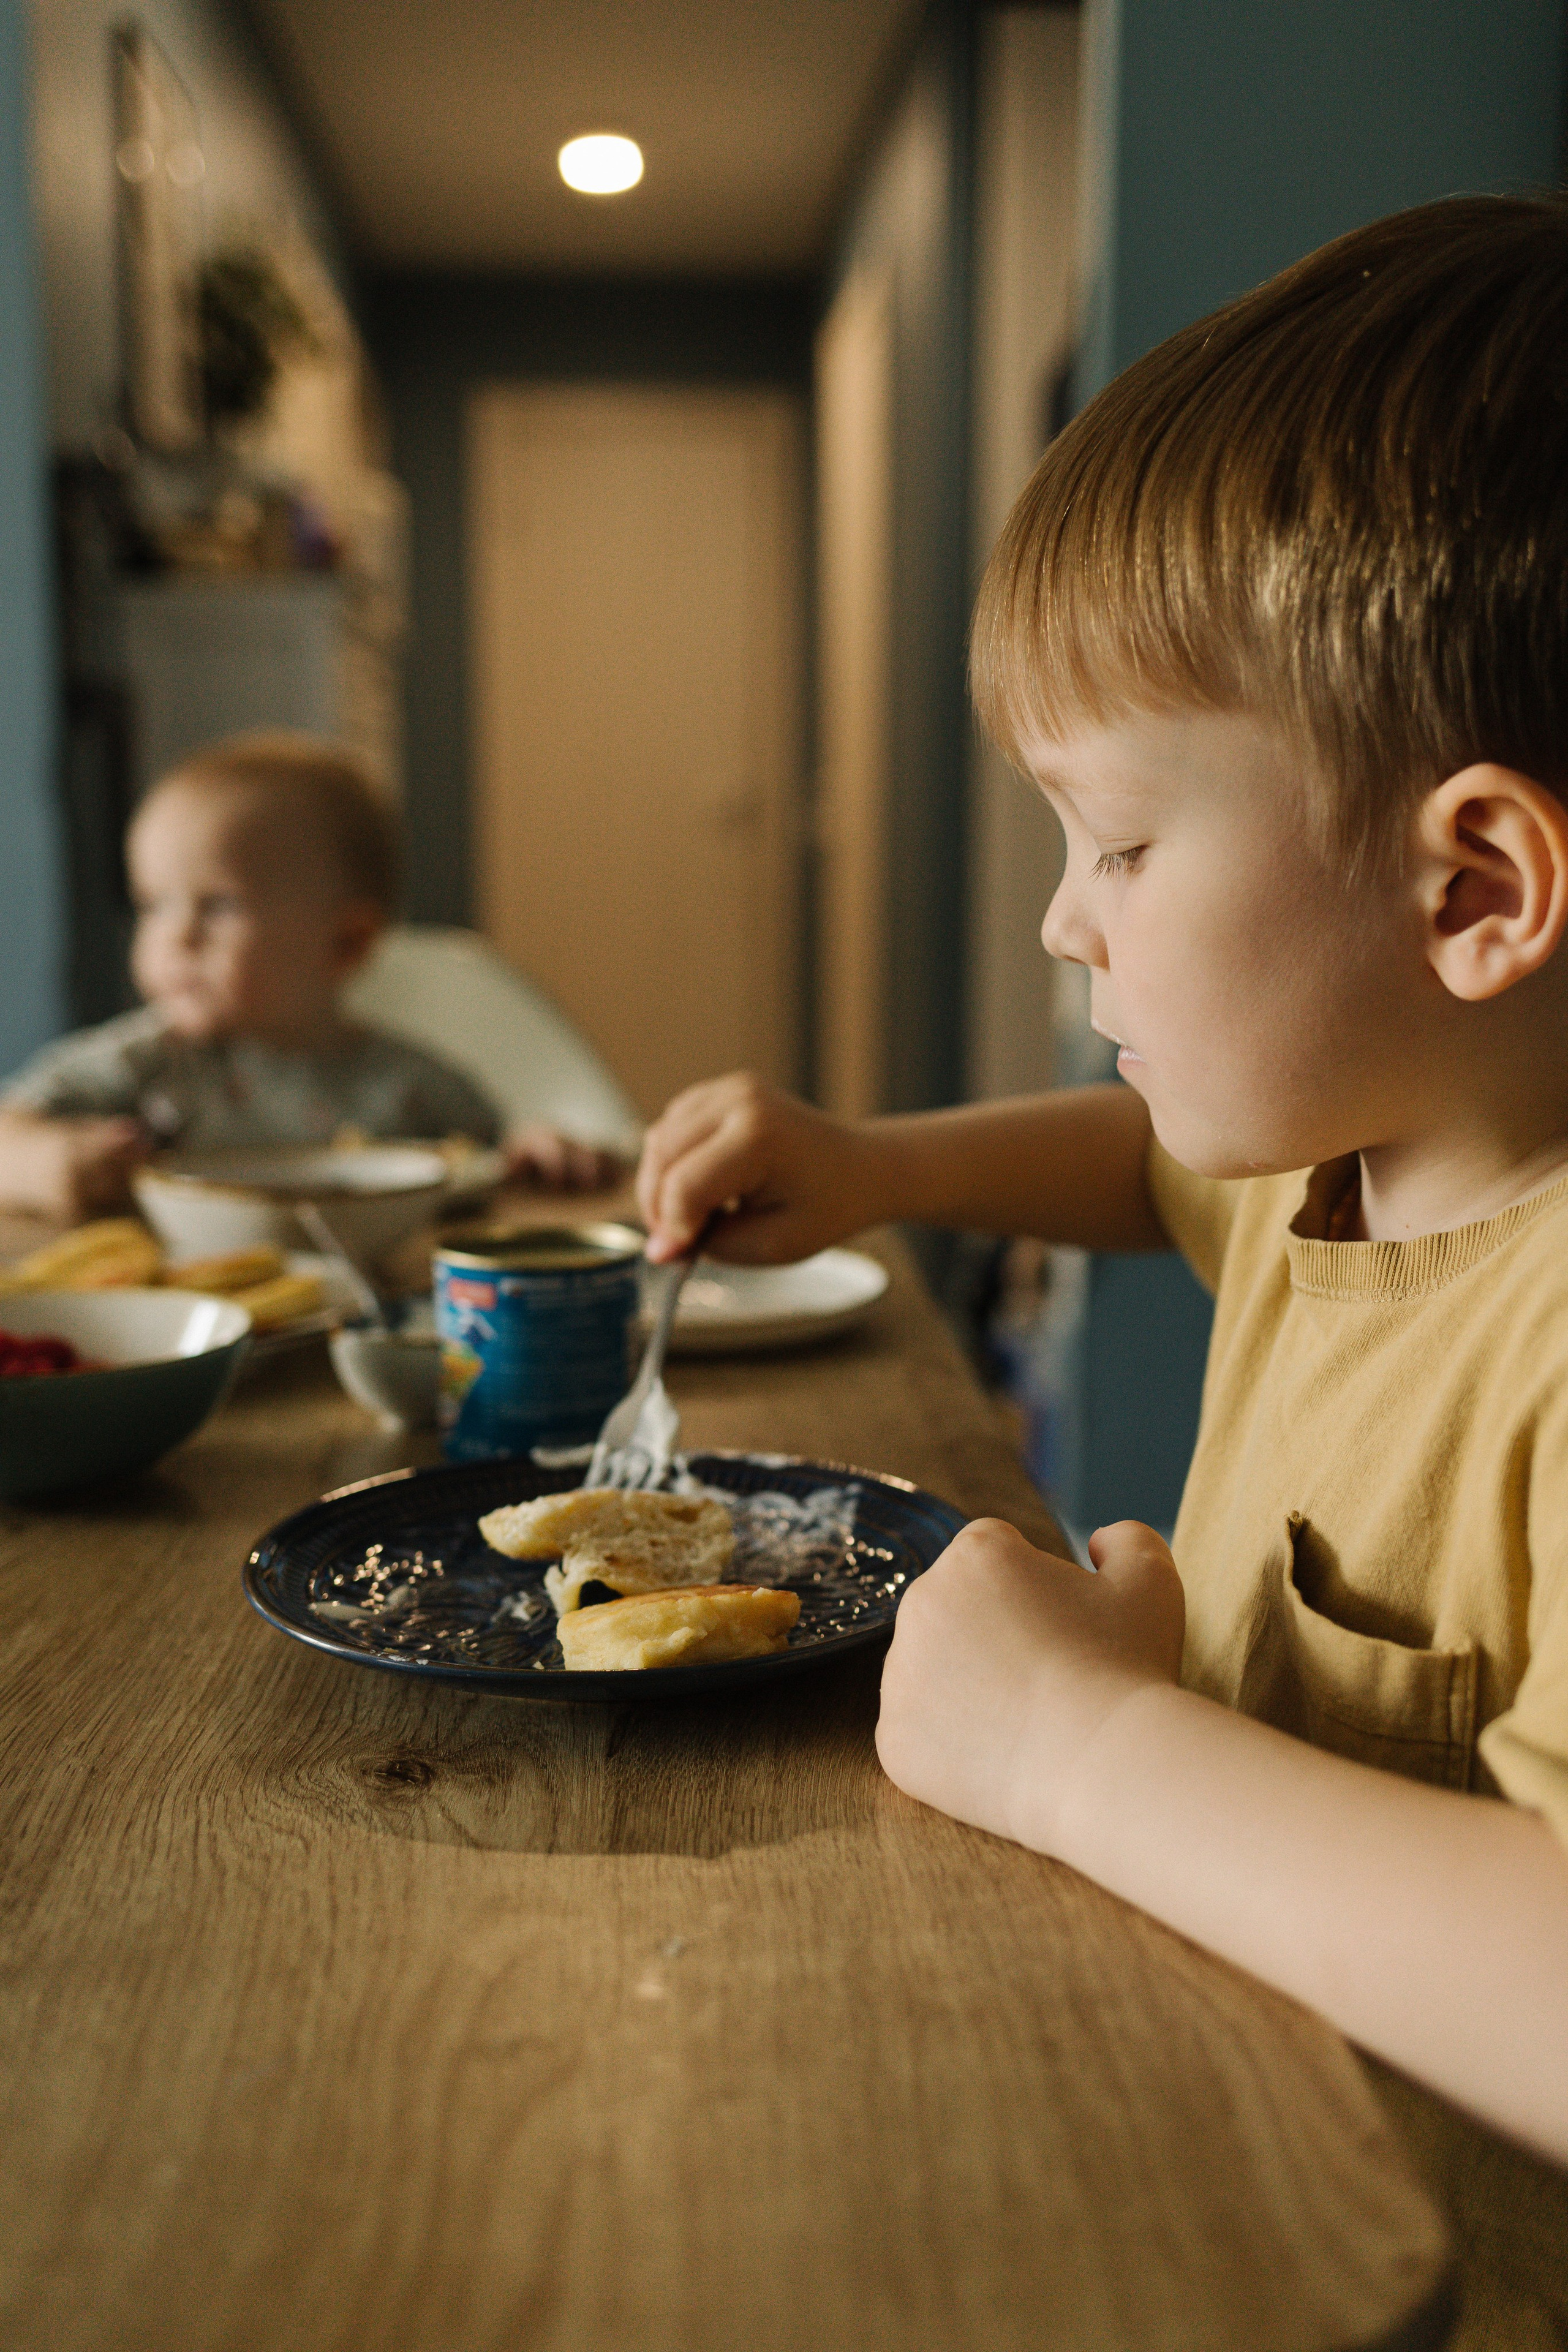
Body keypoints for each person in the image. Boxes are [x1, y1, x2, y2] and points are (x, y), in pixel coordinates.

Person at [637, 195, 1568, 2217]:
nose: (1065, 917)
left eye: (1123, 842)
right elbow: (1142, 1171)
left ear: (1473, 889)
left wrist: (1079, 1752)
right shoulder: (1369, 1152)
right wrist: (883, 1170)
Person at [0, 733, 619, 1217]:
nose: (176, 937)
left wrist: (540, 1155)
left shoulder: (407, 1089)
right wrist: (44, 1163)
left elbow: (493, 1166)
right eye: (153, 904)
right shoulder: (149, 1066)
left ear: (346, 943)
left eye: (218, 906)